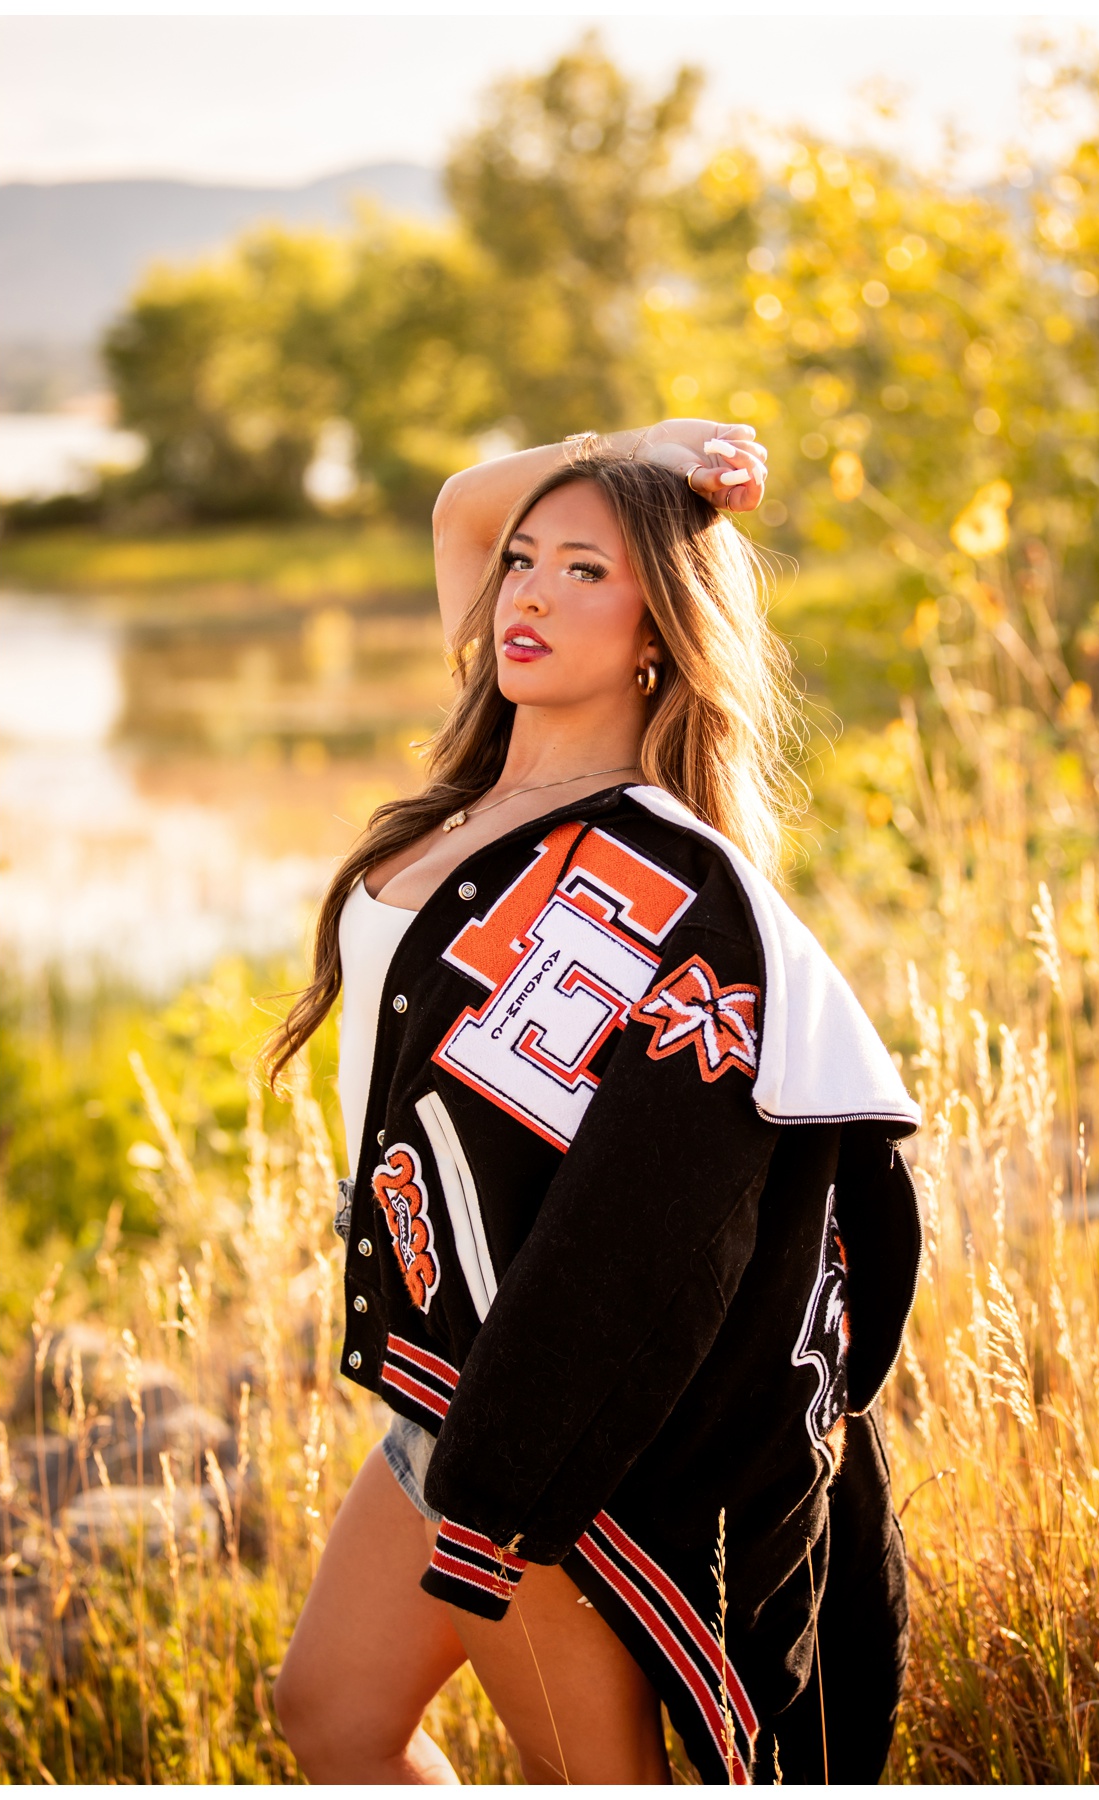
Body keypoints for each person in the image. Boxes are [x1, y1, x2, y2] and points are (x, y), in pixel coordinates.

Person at [266, 423, 922, 1784]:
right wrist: (638, 452)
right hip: (440, 1387)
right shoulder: (475, 796)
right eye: (524, 565)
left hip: (548, 1427)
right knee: (331, 1721)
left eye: (586, 572)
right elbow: (460, 503)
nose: (528, 595)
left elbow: (655, 1216)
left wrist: (518, 1471)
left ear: (657, 635)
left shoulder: (669, 878)